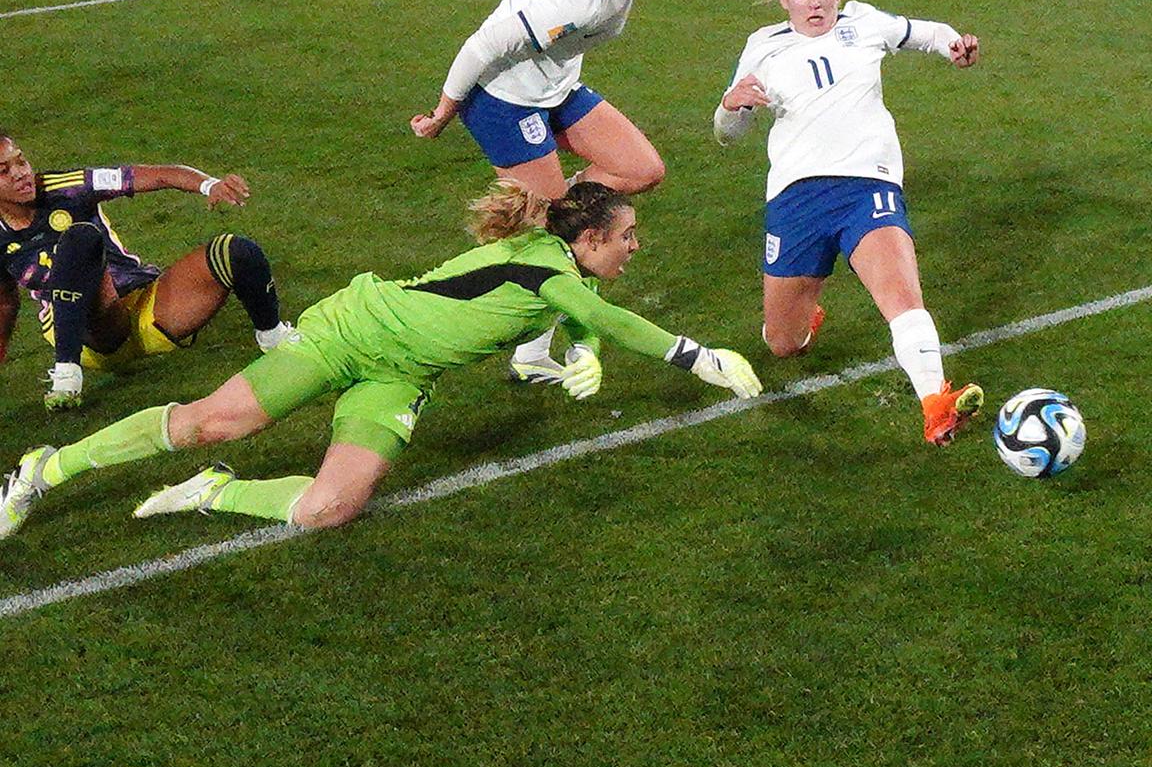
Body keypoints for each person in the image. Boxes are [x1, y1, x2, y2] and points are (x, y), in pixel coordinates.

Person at [0, 181, 762, 538]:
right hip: (349, 332)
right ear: (592, 239)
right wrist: (698, 357)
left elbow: (579, 309)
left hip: (401, 374)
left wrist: (586, 348)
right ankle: (45, 468)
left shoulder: (551, 257)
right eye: (628, 235)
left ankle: (213, 495)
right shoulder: (551, 268)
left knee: (327, 510)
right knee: (210, 422)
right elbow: (596, 309)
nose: (635, 247)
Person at [711, 0, 983, 447]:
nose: (815, 4)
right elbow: (727, 134)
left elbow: (925, 33)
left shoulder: (864, 24)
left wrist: (954, 45)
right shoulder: (763, 47)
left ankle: (936, 402)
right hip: (796, 200)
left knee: (903, 300)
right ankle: (805, 320)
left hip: (868, 185)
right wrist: (731, 106)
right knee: (782, 344)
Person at [411, 0, 666, 381]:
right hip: (501, 100)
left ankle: (545, 209)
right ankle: (528, 350)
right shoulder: (570, 3)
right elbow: (482, 47)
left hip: (556, 88)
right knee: (560, 238)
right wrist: (443, 112)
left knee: (642, 169)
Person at [0, 130, 295, 412]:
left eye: (21, 161)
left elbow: (159, 174)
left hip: (142, 306)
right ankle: (66, 373)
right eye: (4, 171)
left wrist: (210, 185)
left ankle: (274, 338)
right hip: (86, 334)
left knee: (236, 251)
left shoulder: (67, 186)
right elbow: (5, 300)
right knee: (81, 240)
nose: (21, 173)